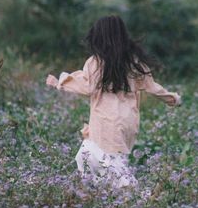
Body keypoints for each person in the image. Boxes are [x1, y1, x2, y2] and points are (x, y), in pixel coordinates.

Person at [46, 14, 181, 188]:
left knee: (104, 163)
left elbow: (87, 87)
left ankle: (135, 195)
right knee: (95, 157)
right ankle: (105, 195)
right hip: (127, 121)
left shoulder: (96, 62)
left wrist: (60, 82)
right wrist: (172, 98)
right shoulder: (133, 61)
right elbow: (152, 87)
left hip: (105, 121)